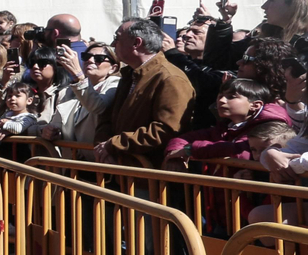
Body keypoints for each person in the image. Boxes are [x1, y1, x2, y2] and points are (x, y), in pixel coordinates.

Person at [93, 19, 194, 168]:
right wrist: (103, 146)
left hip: (148, 178)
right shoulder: (129, 74)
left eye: (117, 38)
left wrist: (114, 144)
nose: (113, 44)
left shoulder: (170, 78)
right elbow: (108, 117)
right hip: (121, 171)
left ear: (136, 43)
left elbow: (166, 130)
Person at [164, 79, 287, 163]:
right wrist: (175, 156)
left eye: (231, 97)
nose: (221, 100)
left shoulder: (269, 127)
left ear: (255, 105)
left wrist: (189, 150)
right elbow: (181, 139)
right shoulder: (223, 128)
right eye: (220, 96)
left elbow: (238, 150)